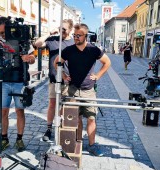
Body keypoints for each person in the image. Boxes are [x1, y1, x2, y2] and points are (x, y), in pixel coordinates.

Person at [54, 23, 111, 156]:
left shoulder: (93, 50)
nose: (76, 38)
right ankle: (77, 142)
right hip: (72, 89)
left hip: (88, 90)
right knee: (76, 118)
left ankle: (92, 145)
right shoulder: (69, 50)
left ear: (86, 36)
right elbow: (56, 62)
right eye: (74, 35)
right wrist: (63, 75)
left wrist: (97, 75)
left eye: (78, 35)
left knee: (91, 118)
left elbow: (107, 62)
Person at [0, 17, 36, 152]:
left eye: (3, 32)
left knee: (19, 111)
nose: (1, 35)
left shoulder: (21, 37)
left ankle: (19, 139)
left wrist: (28, 59)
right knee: (3, 111)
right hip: (4, 81)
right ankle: (4, 139)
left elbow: (33, 57)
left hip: (19, 80)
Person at [34, 19, 74, 141]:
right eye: (60, 28)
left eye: (64, 29)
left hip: (68, 80)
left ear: (70, 30)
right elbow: (37, 44)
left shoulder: (73, 42)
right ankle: (49, 128)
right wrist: (50, 33)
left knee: (66, 105)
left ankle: (62, 127)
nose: (62, 31)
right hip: (53, 78)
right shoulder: (53, 40)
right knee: (52, 104)